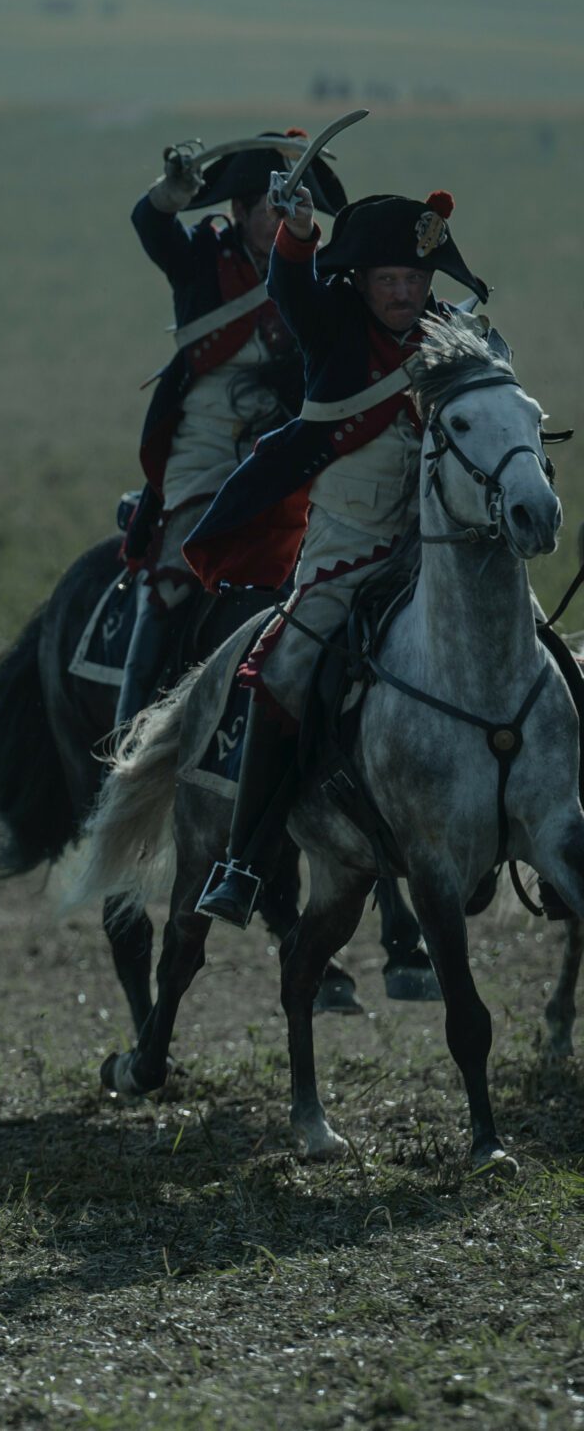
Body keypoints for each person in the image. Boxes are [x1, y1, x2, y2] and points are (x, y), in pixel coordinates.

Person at [181, 187, 491, 926]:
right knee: (281, 670)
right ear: (359, 281)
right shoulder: (333, 328)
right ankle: (244, 861)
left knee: (533, 653)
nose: (403, 292)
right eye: (388, 279)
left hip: (437, 559)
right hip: (346, 560)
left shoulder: (457, 338)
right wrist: (297, 231)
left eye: (415, 280)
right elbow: (290, 284)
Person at [114, 132, 345, 729]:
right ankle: (128, 735)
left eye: (295, 200)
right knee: (171, 582)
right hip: (207, 445)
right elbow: (153, 228)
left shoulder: (319, 271)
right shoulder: (202, 259)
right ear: (239, 210)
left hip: (290, 449)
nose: (284, 212)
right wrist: (170, 194)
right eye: (272, 202)